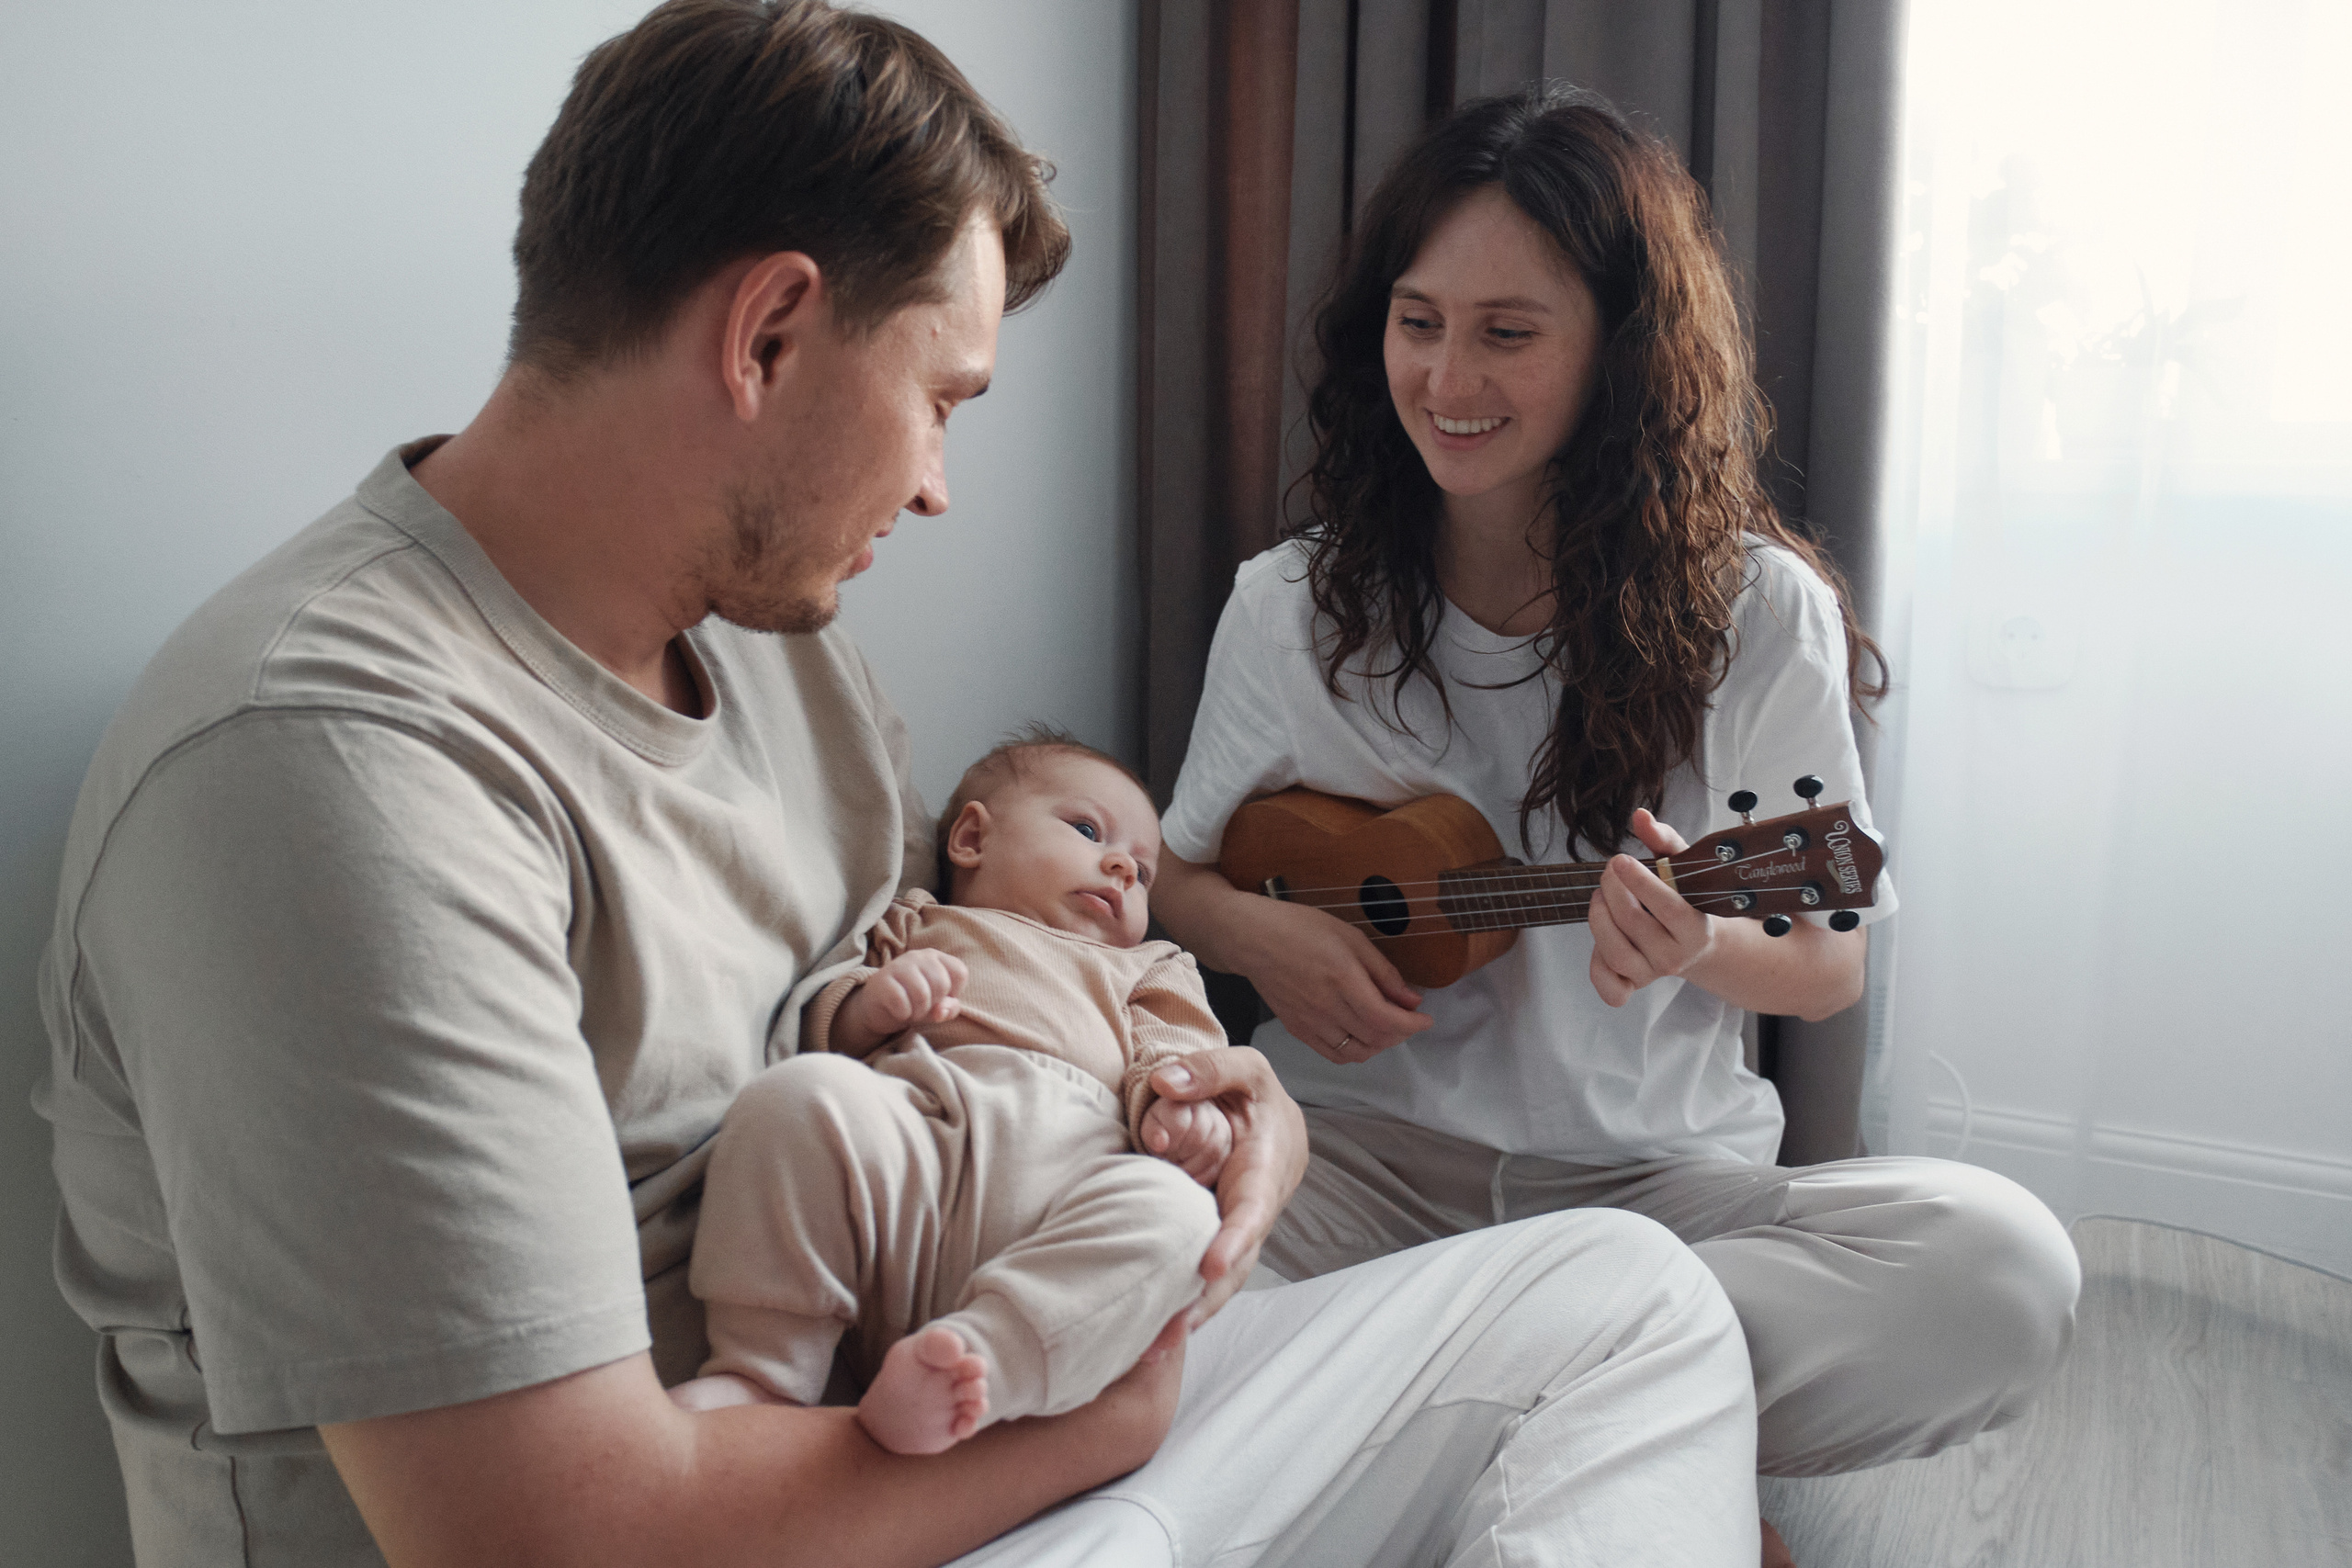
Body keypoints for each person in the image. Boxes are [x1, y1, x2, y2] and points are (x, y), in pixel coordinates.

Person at [34, 8, 1769, 1566]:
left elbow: (986, 1014)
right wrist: (1108, 1409)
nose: (938, 485)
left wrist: (1249, 1116)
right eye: (942, 398)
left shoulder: (783, 659)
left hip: (953, 1417)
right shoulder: (327, 765)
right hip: (802, 1504)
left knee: (1633, 1303)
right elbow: (556, 1535)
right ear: (769, 333)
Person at [1151, 85, 2084, 1490]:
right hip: (1354, 1170)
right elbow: (1171, 872)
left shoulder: (1757, 613)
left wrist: (1698, 940)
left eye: (1508, 333)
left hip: (1654, 1198)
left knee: (2002, 1269)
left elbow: (1825, 961)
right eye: (1419, 322)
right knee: (1112, 1242)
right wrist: (1262, 934)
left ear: (1622, 351)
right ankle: (1609, 1431)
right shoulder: (1291, 606)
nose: (1447, 380)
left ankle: (1428, 1412)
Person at [672, 733, 1230, 1455]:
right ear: (972, 838)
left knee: (1183, 1218)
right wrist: (873, 1004)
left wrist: (1185, 1112)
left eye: (1144, 872)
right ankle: (764, 1371)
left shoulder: (1150, 964)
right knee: (798, 1095)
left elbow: (1183, 1055)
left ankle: (980, 1366)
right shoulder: (917, 921)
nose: (1124, 866)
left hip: (1067, 1189)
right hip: (915, 1156)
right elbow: (823, 1022)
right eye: (1089, 830)